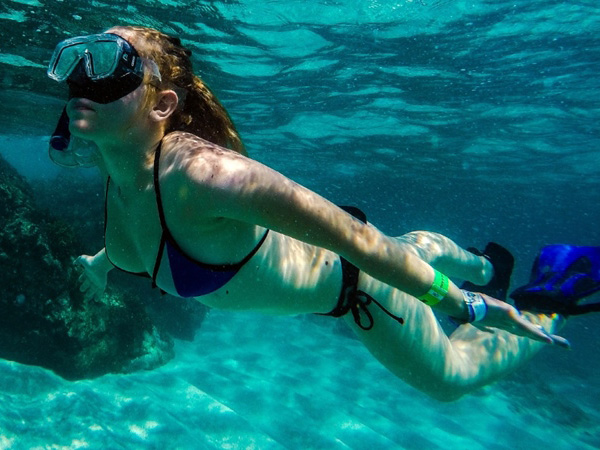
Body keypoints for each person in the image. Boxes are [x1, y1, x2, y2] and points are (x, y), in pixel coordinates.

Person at [46, 26, 584, 401]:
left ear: (161, 104)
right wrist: (101, 264)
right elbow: (141, 235)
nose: (84, 77)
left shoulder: (208, 177)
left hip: (362, 282)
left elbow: (360, 242)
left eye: (112, 62)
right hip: (335, 255)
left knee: (452, 379)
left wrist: (470, 307)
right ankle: (488, 265)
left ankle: (549, 295)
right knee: (409, 248)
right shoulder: (118, 167)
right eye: (80, 60)